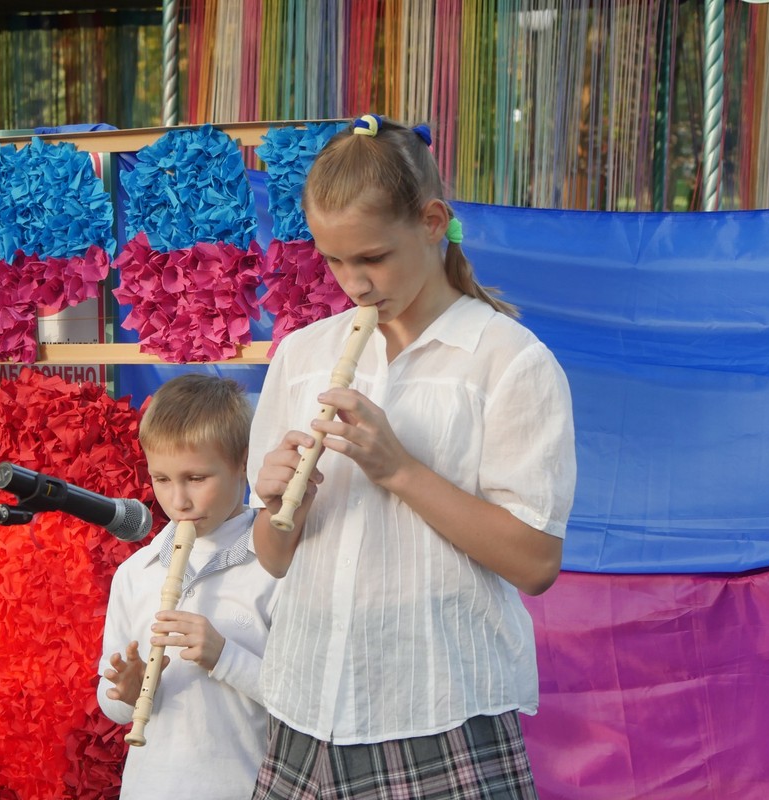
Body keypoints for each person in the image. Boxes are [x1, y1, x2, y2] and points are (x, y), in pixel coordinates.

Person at [247, 113, 576, 799]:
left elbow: (536, 563)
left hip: (439, 708)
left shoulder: (508, 361)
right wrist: (284, 507)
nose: (353, 284)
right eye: (333, 260)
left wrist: (398, 468)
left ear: (432, 221)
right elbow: (273, 557)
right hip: (306, 702)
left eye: (371, 258)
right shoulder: (305, 357)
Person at [98, 373, 279, 800]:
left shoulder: (276, 566)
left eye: (196, 478)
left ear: (244, 463)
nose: (177, 500)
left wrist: (224, 656)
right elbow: (113, 706)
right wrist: (128, 690)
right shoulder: (135, 573)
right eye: (161, 479)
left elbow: (303, 700)